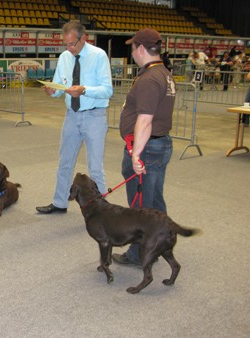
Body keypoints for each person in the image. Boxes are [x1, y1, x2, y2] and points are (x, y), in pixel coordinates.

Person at [112, 28, 176, 266]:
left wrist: (136, 155)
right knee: (154, 202)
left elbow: (145, 120)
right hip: (157, 145)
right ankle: (160, 244)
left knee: (141, 207)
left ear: (140, 48)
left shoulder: (150, 78)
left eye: (133, 47)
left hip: (146, 148)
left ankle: (140, 253)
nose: (132, 52)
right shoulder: (162, 73)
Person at [36, 21, 113, 214]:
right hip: (71, 115)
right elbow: (58, 89)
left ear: (83, 38)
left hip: (94, 115)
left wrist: (84, 89)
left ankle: (103, 210)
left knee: (95, 167)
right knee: (65, 162)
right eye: (66, 44)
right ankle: (60, 202)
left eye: (72, 44)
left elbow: (107, 90)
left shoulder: (99, 56)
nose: (69, 48)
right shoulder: (64, 57)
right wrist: (51, 91)